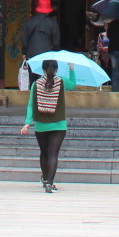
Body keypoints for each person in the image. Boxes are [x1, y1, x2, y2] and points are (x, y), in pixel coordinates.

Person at [21, 58, 78, 193]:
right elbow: (73, 85)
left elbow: (31, 104)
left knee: (44, 153)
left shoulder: (36, 84)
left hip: (41, 125)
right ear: (56, 69)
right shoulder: (62, 81)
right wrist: (71, 69)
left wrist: (27, 123)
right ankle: (50, 184)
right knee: (53, 154)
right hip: (58, 124)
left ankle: (46, 179)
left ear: (43, 70)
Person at [19, 0, 60, 90]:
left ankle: (33, 96)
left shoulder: (30, 22)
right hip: (47, 56)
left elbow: (24, 39)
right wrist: (55, 54)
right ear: (48, 11)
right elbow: (56, 42)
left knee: (32, 81)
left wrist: (24, 53)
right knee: (45, 80)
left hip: (32, 56)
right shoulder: (52, 23)